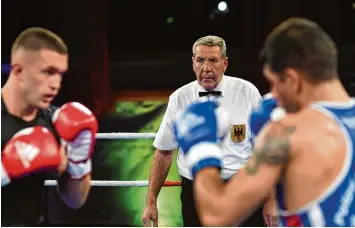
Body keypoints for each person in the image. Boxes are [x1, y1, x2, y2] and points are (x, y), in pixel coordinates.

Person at [171, 17, 355, 227]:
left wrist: (201, 150)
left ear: (292, 79)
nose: (274, 95)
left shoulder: (287, 133)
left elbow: (217, 216)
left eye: (274, 83)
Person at [142, 35, 275, 227]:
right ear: (193, 63)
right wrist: (151, 202)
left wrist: (271, 200)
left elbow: (265, 150)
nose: (206, 68)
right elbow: (164, 153)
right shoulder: (180, 98)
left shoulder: (247, 92)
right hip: (195, 193)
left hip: (242, 188)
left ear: (225, 63)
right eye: (200, 60)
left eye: (213, 60)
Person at [1, 27, 98, 226]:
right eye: (48, 72)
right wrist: (4, 170)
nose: (56, 84)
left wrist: (78, 161)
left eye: (60, 75)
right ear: (18, 71)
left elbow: (74, 200)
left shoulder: (55, 121)